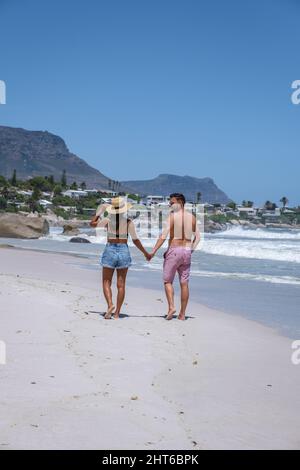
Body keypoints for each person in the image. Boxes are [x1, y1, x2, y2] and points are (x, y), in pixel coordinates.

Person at [90, 197, 151, 319]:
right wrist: (145, 253)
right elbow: (136, 240)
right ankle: (117, 313)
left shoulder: (107, 221)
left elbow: (92, 224)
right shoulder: (128, 222)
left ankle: (110, 305)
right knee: (121, 285)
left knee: (106, 282)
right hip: (124, 250)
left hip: (110, 249)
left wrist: (98, 213)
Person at [150, 193, 200, 320]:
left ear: (180, 202)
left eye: (172, 203)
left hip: (174, 251)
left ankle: (171, 307)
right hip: (187, 252)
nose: (169, 205)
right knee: (184, 284)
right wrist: (190, 250)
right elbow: (198, 238)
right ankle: (182, 315)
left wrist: (153, 251)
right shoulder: (192, 217)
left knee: (167, 281)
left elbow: (163, 235)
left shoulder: (172, 217)